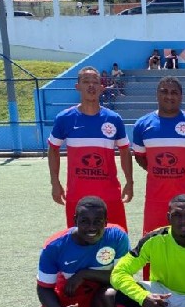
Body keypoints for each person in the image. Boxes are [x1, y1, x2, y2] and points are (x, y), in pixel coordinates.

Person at [33, 196, 129, 307]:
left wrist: (84, 274)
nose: (91, 227)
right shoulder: (54, 246)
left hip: (99, 296)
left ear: (106, 221)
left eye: (98, 221)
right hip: (67, 296)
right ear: (75, 220)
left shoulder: (117, 236)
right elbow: (43, 289)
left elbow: (122, 277)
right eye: (85, 221)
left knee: (112, 296)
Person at [48, 66, 133, 230]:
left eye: (95, 82)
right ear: (78, 86)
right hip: (77, 196)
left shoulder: (113, 119)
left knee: (116, 239)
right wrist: (55, 182)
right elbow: (53, 149)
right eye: (86, 81)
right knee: (79, 241)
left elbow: (124, 150)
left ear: (102, 87)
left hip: (110, 195)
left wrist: (129, 181)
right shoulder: (65, 118)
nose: (91, 85)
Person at [132, 76, 185, 235]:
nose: (169, 96)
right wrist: (157, 170)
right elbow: (139, 156)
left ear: (181, 96)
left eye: (174, 92)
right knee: (153, 242)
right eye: (164, 91)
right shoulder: (142, 124)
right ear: (157, 94)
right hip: (155, 200)